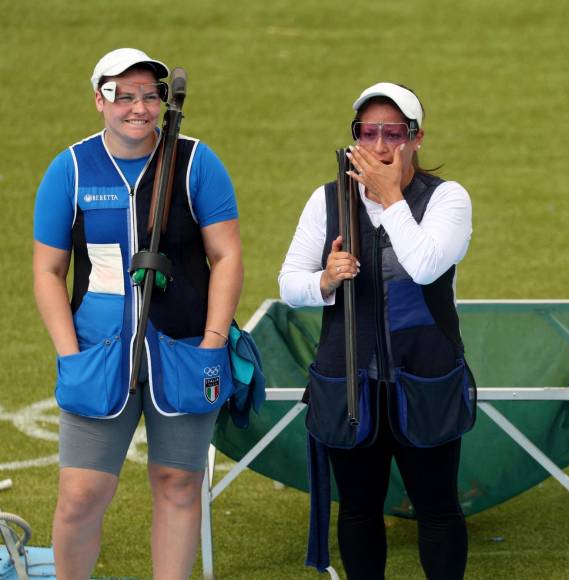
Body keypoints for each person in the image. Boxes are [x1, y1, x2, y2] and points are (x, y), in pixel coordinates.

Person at [32, 48, 242, 579]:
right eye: (123, 96)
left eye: (150, 95)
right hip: (96, 354)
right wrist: (70, 354)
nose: (139, 108)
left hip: (186, 349)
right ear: (99, 100)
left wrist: (213, 342)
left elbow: (226, 256)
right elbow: (48, 270)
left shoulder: (196, 162)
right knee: (81, 493)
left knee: (179, 483)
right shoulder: (70, 168)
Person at [279, 82, 474, 579]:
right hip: (349, 381)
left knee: (438, 508)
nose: (381, 145)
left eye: (394, 133)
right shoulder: (327, 199)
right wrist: (325, 280)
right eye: (368, 133)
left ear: (417, 137)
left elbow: (425, 266)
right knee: (358, 510)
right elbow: (289, 285)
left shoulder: (448, 198)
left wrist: (390, 198)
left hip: (425, 378)